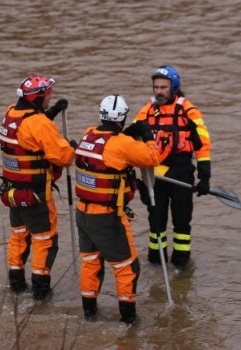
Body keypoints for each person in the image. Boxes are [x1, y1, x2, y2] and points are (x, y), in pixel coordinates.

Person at [74, 94, 160, 325]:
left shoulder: (88, 133)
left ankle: (89, 315)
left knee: (91, 263)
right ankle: (129, 322)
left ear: (101, 115)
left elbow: (111, 147)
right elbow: (153, 157)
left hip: (82, 213)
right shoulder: (122, 144)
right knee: (127, 267)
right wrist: (147, 135)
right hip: (107, 216)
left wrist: (128, 132)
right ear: (123, 116)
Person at [0, 74, 75, 300]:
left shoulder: (11, 112)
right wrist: (72, 148)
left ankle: (16, 284)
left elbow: (28, 132)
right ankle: (41, 290)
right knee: (44, 239)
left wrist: (53, 112)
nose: (50, 97)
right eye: (48, 95)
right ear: (38, 97)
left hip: (13, 191)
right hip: (36, 194)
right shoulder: (38, 123)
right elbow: (62, 157)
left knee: (19, 235)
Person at [132, 65, 212, 270]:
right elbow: (130, 140)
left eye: (163, 88)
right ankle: (156, 263)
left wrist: (205, 177)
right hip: (155, 174)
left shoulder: (188, 110)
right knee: (156, 223)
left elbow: (202, 144)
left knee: (182, 222)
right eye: (156, 87)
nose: (158, 91)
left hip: (181, 173)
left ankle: (181, 264)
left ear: (174, 88)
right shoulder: (147, 111)